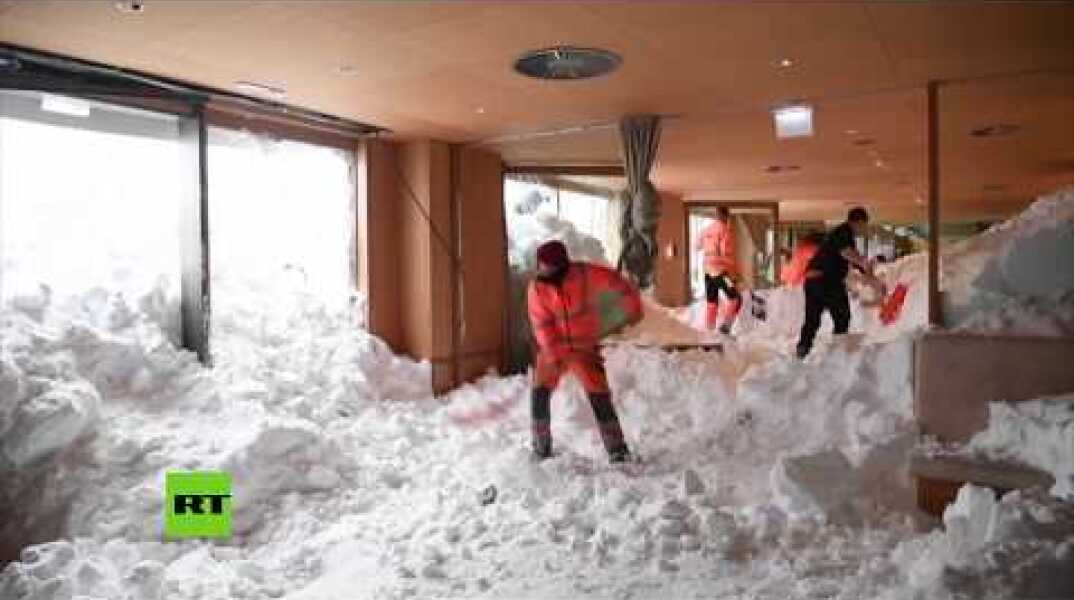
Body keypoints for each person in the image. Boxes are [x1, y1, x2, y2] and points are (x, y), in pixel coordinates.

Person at [527, 240, 642, 463]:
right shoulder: (537, 288)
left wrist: (630, 305)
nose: (544, 271)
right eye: (541, 266)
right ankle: (541, 447)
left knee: (599, 395)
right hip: (553, 348)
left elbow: (617, 282)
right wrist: (554, 351)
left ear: (562, 265)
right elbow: (541, 324)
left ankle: (617, 449)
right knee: (540, 393)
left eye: (549, 267)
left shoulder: (584, 274)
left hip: (583, 348)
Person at [795, 207, 885, 359]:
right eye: (864, 225)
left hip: (812, 281)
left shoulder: (841, 236)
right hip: (826, 281)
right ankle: (838, 353)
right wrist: (864, 262)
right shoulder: (843, 232)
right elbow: (847, 253)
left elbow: (855, 264)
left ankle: (802, 350)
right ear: (858, 222)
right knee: (842, 316)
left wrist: (875, 282)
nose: (863, 229)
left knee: (812, 319)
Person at [695, 207, 741, 334]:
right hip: (722, 272)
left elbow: (696, 246)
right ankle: (725, 328)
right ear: (726, 217)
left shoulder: (706, 230)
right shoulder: (725, 230)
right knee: (736, 298)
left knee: (712, 301)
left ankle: (709, 330)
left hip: (708, 272)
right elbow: (727, 253)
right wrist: (735, 273)